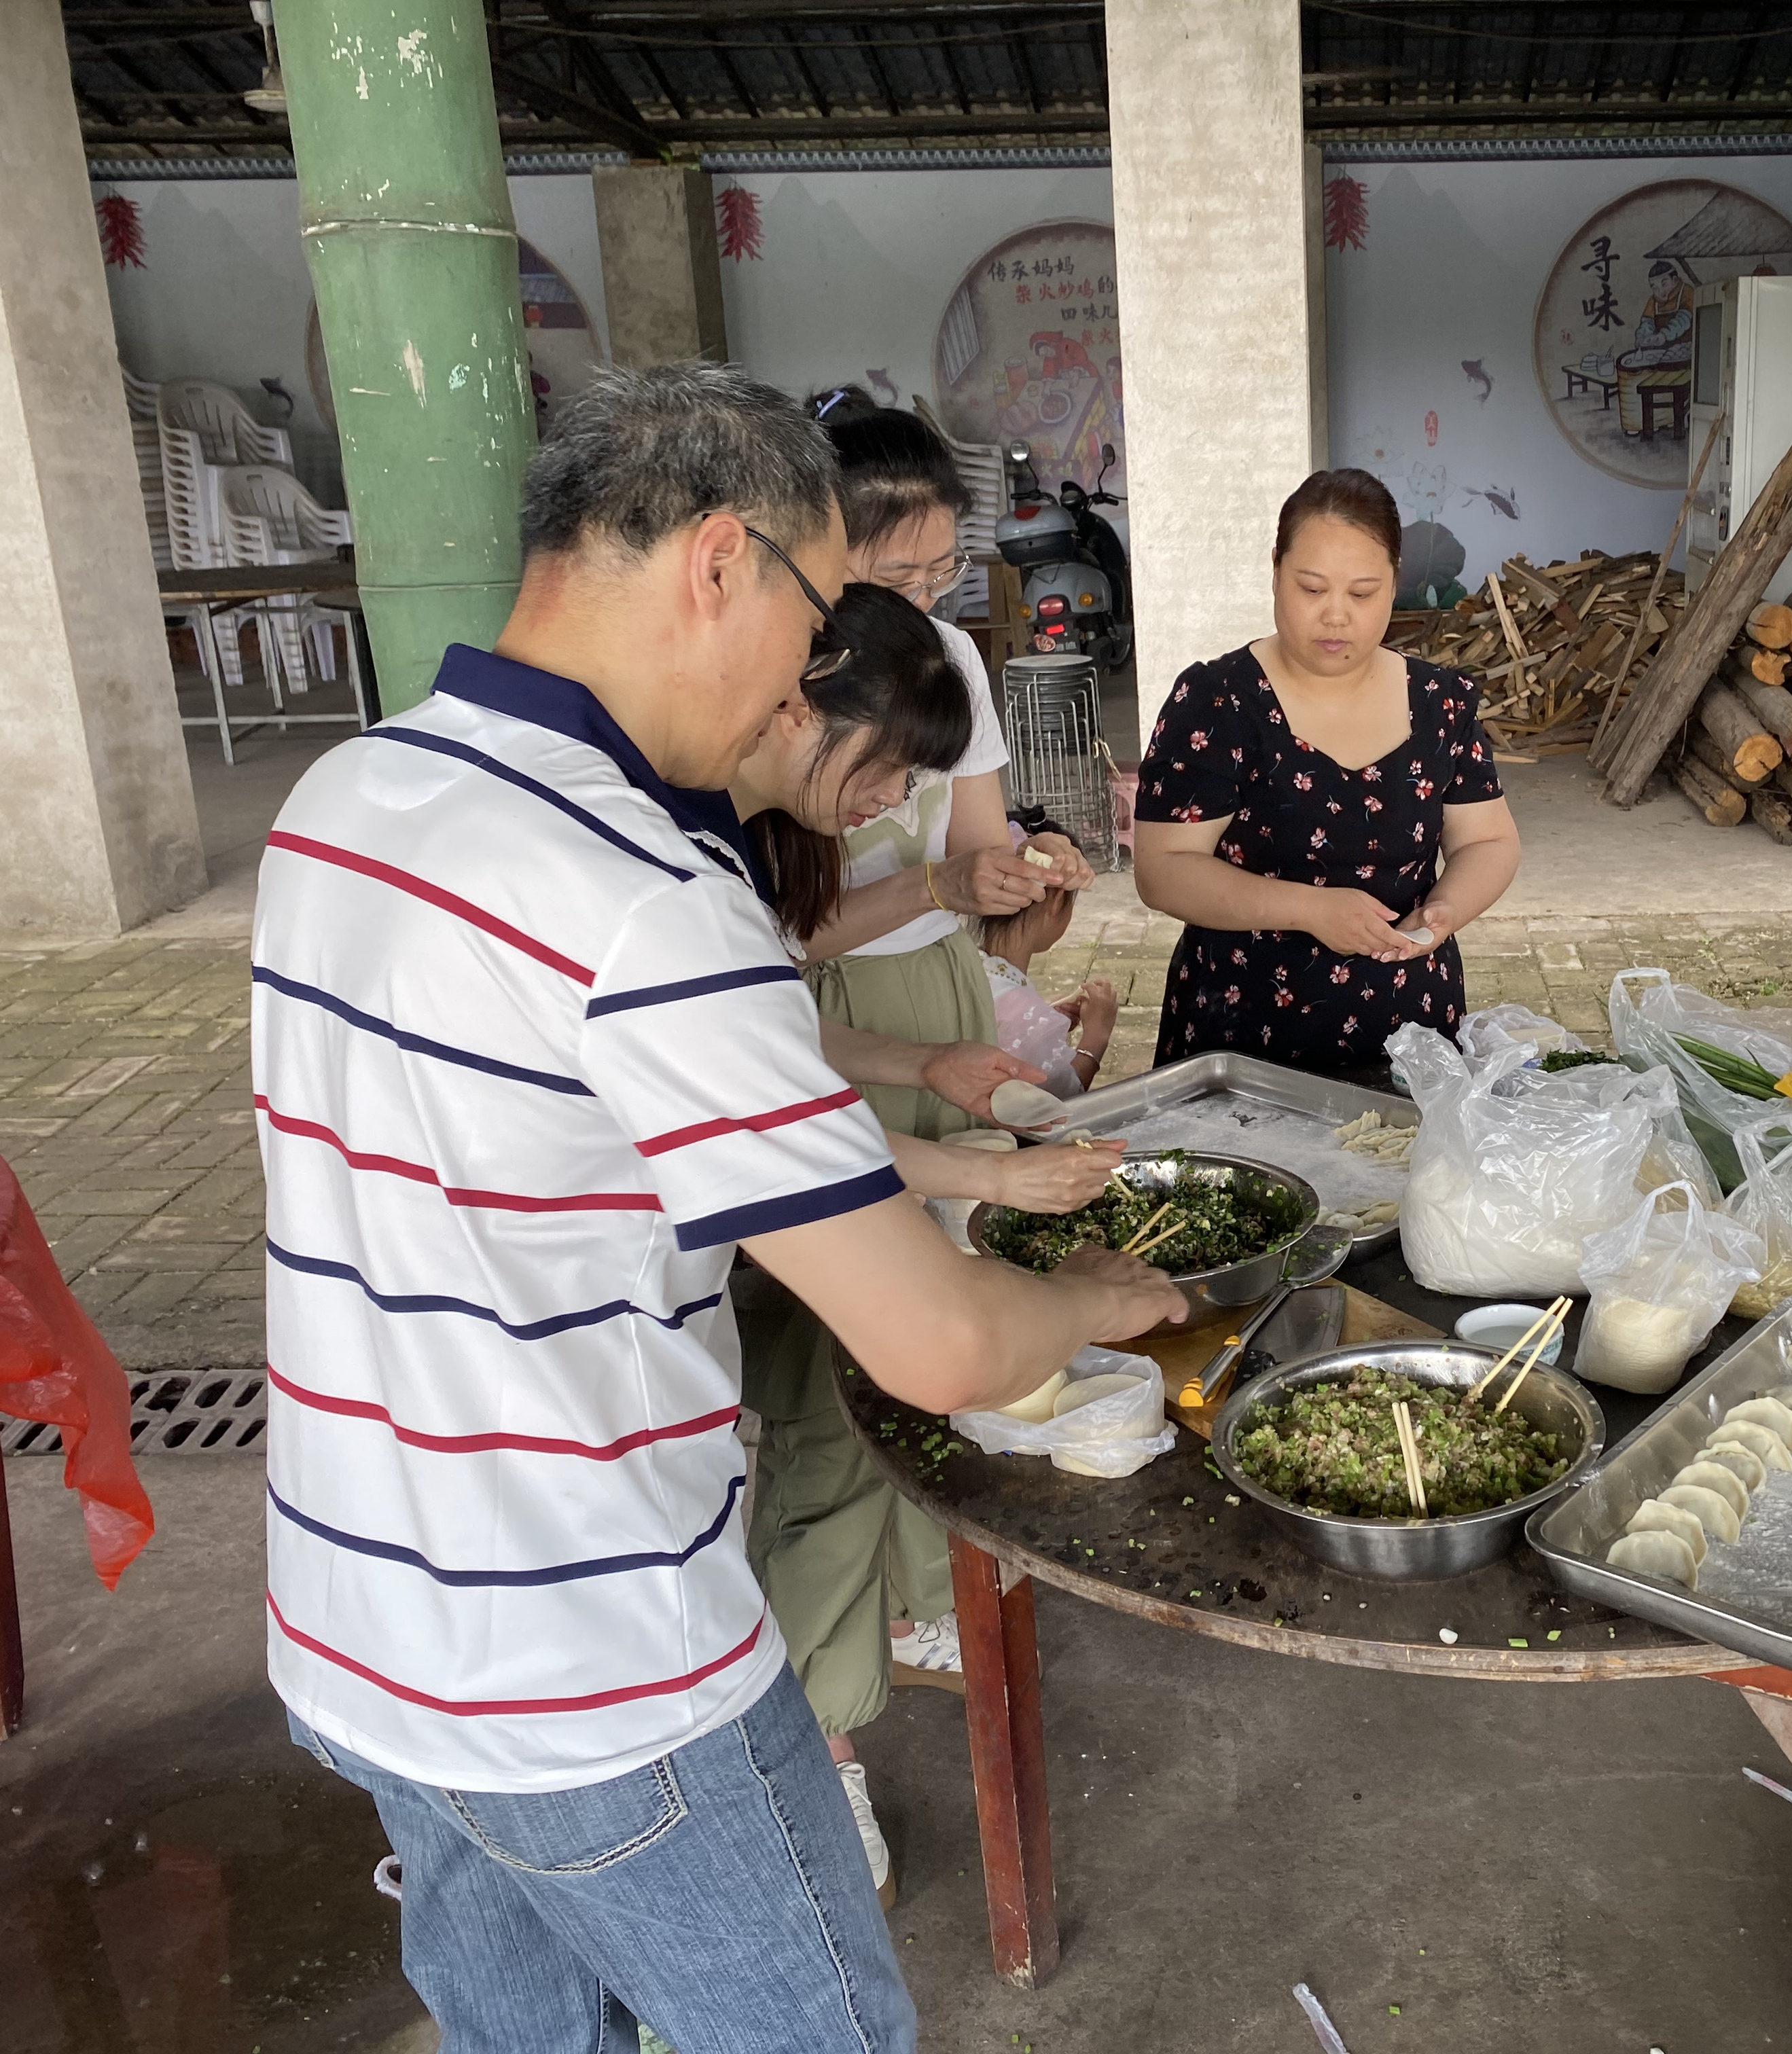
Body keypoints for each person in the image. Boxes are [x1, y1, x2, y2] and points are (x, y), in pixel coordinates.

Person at [252, 363, 1184, 2054]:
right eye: (816, 617)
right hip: (591, 1666)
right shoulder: (642, 893)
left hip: (357, 1634)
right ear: (718, 564)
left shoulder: (346, 800)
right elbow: (937, 1343)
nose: (799, 682)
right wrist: (1098, 1302)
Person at [726, 578, 1126, 1901]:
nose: (898, 800)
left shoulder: (772, 827)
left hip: (855, 1100)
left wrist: (932, 1067)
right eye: (889, 772)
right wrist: (1014, 1214)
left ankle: (873, 1639)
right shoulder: (701, 848)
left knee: (883, 1414)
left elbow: (782, 1042)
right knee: (826, 1420)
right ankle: (807, 1749)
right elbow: (785, 1121)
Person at [1132, 468, 1521, 1075]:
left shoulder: (1440, 701)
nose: (1336, 616)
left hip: (1411, 1035)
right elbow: (1163, 871)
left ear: (1395, 582)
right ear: (1276, 571)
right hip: (1245, 1041)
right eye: (1312, 589)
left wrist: (1447, 908)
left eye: (1362, 594)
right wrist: (1310, 910)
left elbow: (1489, 841)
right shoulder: (1218, 700)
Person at [799, 394, 1087, 1141]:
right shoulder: (792, 679)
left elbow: (976, 849)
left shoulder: (947, 657)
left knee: (962, 1177)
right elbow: (778, 937)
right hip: (824, 1007)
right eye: (900, 580)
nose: (925, 602)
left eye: (942, 572)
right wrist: (935, 886)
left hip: (945, 977)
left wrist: (1029, 865)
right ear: (818, 553)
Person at [973, 823, 1119, 1098]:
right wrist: (1097, 1036)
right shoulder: (1022, 1010)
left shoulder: (969, 965)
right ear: (1056, 900)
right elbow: (1061, 1094)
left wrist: (1048, 1017)